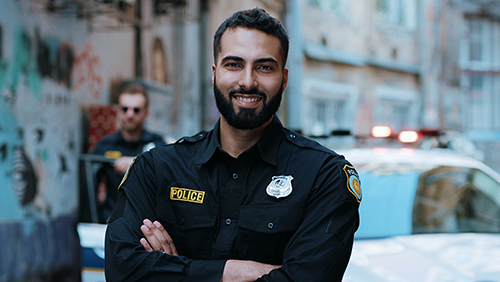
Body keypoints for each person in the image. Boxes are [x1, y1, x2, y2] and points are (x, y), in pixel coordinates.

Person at [105, 8, 361, 281]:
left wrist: (176, 269)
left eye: (264, 67)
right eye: (234, 64)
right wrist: (236, 271)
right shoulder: (155, 169)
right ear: (214, 73)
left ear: (284, 79)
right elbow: (122, 269)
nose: (247, 81)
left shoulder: (325, 176)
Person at [92, 83, 166, 223]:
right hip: (113, 224)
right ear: (118, 111)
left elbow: (169, 181)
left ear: (146, 113)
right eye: (125, 109)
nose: (130, 114)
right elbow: (88, 188)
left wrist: (136, 165)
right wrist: (102, 217)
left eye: (136, 110)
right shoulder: (105, 146)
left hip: (149, 227)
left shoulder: (159, 145)